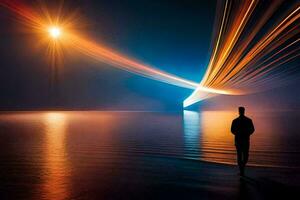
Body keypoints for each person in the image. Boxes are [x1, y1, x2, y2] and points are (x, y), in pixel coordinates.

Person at [231, 107, 255, 176]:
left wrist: (244, 134)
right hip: (243, 141)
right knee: (243, 156)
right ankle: (242, 170)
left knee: (243, 156)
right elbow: (232, 130)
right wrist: (246, 134)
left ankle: (242, 169)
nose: (241, 112)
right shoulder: (245, 120)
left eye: (241, 111)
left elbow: (232, 130)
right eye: (241, 111)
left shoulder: (238, 121)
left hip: (240, 140)